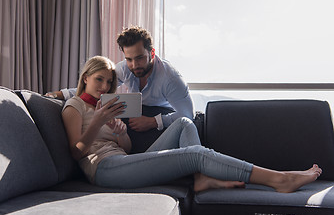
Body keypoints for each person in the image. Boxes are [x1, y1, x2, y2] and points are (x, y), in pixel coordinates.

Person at [61, 55, 322, 192]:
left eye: (109, 82)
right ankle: (279, 179)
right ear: (85, 78)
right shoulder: (74, 107)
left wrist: (120, 133)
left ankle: (202, 179)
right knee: (195, 153)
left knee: (186, 123)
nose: (105, 86)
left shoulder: (106, 107)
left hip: (123, 161)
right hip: (103, 171)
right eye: (99, 80)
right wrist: (97, 122)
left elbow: (127, 149)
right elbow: (75, 152)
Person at [49, 26, 193, 133]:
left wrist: (153, 121)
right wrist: (59, 94)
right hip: (135, 116)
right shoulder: (124, 68)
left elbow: (187, 115)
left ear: (152, 53)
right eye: (129, 59)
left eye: (139, 58)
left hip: (161, 117)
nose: (134, 65)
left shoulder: (171, 79)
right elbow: (97, 88)